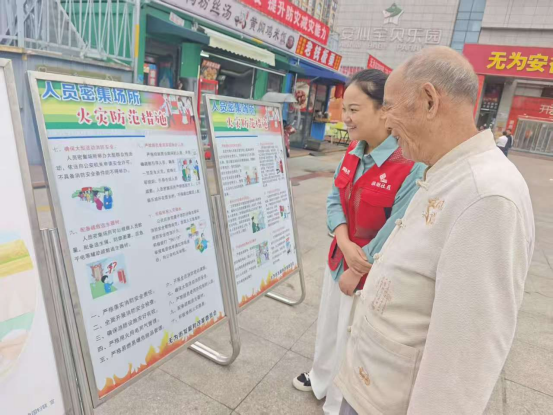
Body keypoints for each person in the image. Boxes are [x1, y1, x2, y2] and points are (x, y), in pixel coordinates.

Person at [335, 47, 535, 415]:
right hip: (375, 387)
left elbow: (464, 357)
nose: (387, 122)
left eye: (390, 107)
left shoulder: (487, 196)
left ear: (429, 101)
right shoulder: (444, 170)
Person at [292, 69, 426, 415]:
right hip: (340, 258)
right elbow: (335, 197)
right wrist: (342, 241)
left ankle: (338, 401)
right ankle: (320, 378)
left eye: (354, 110)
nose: (346, 118)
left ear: (384, 111)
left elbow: (397, 227)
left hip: (369, 274)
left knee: (352, 338)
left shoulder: (409, 164)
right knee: (328, 328)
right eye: (344, 110)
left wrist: (359, 266)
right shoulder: (353, 150)